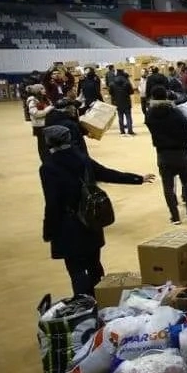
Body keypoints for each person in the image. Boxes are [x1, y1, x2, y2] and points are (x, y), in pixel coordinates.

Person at [39, 126, 153, 297]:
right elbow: (106, 173)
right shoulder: (82, 158)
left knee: (76, 270)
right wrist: (137, 178)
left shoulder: (49, 167)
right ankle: (102, 299)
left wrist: (49, 231)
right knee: (95, 265)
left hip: (68, 224)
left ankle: (85, 304)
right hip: (91, 219)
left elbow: (53, 203)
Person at [146, 86, 187, 224]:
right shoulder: (176, 113)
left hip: (163, 153)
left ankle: (175, 217)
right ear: (166, 96)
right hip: (180, 152)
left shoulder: (150, 115)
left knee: (167, 186)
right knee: (186, 182)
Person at [26, 84, 52, 158]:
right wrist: (48, 109)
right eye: (42, 89)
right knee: (43, 146)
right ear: (37, 91)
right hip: (39, 126)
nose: (44, 90)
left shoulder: (45, 99)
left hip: (47, 124)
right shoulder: (32, 101)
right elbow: (35, 113)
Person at [107, 69, 135, 136]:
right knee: (128, 116)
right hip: (126, 101)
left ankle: (122, 131)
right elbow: (131, 92)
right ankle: (130, 130)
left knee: (120, 117)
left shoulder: (112, 83)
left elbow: (110, 93)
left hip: (117, 102)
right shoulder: (127, 82)